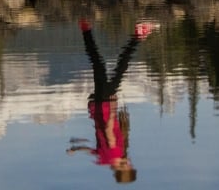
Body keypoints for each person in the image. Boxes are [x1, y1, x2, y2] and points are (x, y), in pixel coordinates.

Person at [67, 18, 159, 183]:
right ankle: (85, 28)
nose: (130, 163)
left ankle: (138, 34)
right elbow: (91, 150)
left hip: (106, 104)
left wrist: (113, 108)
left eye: (130, 166)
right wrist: (76, 148)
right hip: (96, 106)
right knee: (102, 65)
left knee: (118, 67)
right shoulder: (104, 160)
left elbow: (109, 130)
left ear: (124, 168)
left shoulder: (116, 153)